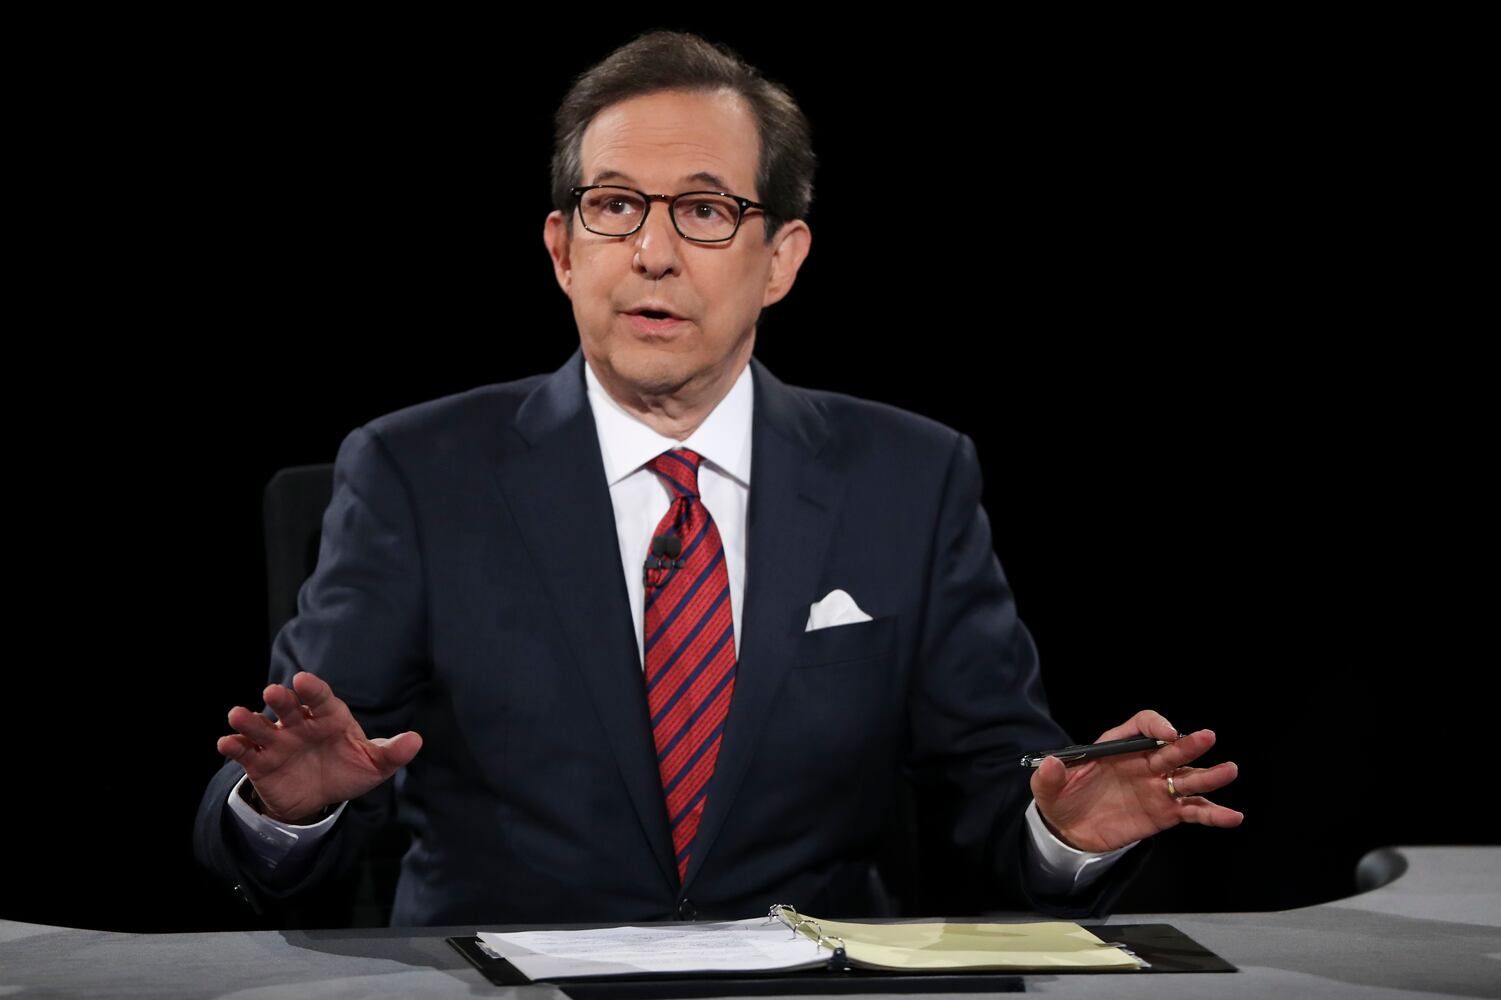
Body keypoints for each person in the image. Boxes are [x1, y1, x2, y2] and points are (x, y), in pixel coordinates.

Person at [195, 30, 1242, 927]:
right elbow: (311, 778)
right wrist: (294, 807)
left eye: (703, 212)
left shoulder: (910, 478)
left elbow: (995, 780)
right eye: (613, 206)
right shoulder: (417, 473)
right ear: (563, 250)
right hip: (510, 987)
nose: (651, 253)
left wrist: (1063, 829)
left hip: (811, 988)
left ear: (781, 258)